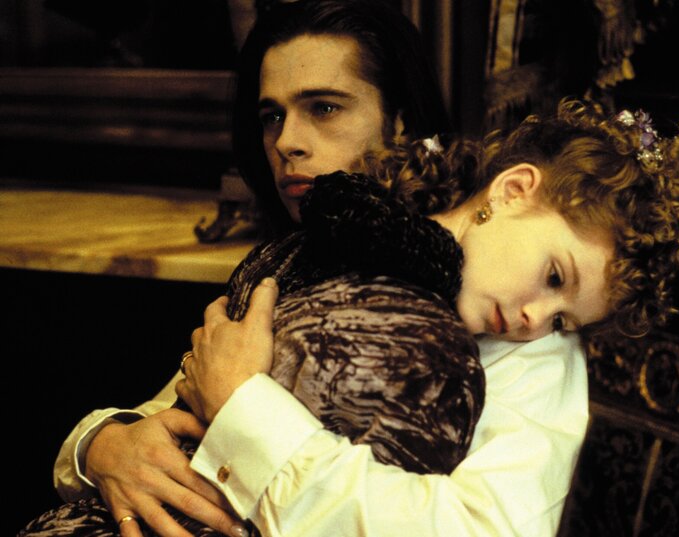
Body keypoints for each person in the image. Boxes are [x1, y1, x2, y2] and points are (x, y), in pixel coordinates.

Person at [34, 2, 591, 537]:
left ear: (401, 121)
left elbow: (477, 530)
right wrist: (102, 445)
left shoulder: (527, 333)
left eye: (324, 108)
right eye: (271, 116)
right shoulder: (293, 265)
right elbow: (170, 411)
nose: (286, 142)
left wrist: (244, 409)